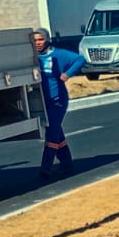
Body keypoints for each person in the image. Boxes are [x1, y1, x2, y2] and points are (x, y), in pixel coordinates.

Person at [32, 28, 84, 180]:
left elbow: (80, 59)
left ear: (47, 39)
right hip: (42, 102)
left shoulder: (58, 54)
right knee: (56, 131)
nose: (37, 43)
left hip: (58, 100)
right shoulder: (33, 57)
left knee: (52, 133)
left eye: (40, 39)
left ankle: (45, 168)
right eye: (35, 40)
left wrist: (67, 74)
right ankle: (67, 164)